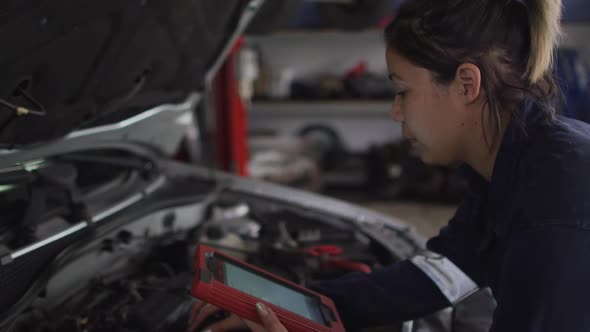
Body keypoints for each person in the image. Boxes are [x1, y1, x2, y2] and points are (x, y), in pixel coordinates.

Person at [189, 0, 590, 331]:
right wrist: (285, 307)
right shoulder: (513, 168)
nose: (396, 113)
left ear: (467, 85)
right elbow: (440, 277)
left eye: (402, 91)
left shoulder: (556, 206)